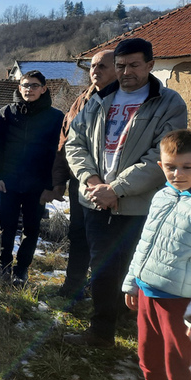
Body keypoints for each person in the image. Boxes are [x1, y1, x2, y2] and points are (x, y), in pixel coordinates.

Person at [65, 37, 188, 347]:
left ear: (150, 65)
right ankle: (101, 331)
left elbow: (161, 157)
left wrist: (117, 189)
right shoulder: (97, 100)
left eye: (134, 65)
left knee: (140, 268)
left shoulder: (169, 103)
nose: (126, 72)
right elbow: (74, 144)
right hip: (95, 201)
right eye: (120, 66)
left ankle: (141, 330)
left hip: (138, 204)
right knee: (102, 267)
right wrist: (93, 182)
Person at [116, 130, 191, 380]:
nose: (177, 174)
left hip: (182, 303)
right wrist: (132, 282)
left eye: (186, 167)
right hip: (149, 294)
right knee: (149, 358)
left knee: (183, 371)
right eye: (169, 166)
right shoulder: (162, 196)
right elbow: (146, 242)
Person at [0, 70, 64, 285]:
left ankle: (21, 269)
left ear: (43, 88)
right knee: (6, 227)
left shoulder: (56, 117)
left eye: (34, 85)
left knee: (32, 229)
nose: (29, 89)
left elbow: (58, 154)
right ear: (19, 88)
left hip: (37, 185)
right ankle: (3, 266)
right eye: (25, 85)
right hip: (8, 183)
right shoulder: (6, 113)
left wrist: (51, 185)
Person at [50, 50, 116, 299]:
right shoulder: (81, 101)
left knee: (109, 242)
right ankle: (73, 287)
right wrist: (58, 182)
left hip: (115, 185)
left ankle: (109, 298)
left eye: (103, 66)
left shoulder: (127, 100)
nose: (95, 71)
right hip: (82, 182)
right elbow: (64, 143)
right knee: (78, 235)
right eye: (92, 66)